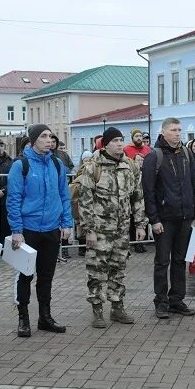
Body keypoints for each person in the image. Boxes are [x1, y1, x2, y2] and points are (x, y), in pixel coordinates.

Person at [76, 127, 146, 328]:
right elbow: (85, 200)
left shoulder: (129, 166)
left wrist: (140, 224)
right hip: (99, 230)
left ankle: (117, 307)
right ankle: (97, 310)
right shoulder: (93, 167)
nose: (119, 143)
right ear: (105, 143)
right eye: (115, 140)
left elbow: (137, 197)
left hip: (121, 230)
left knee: (118, 269)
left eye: (121, 140)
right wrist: (88, 229)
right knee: (96, 271)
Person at [7, 124, 74, 337]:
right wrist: (17, 230)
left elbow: (64, 195)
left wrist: (67, 223)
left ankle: (45, 317)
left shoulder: (56, 164)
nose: (49, 140)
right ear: (34, 140)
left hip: (51, 229)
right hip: (28, 229)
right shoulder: (21, 165)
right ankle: (23, 318)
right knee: (25, 275)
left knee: (46, 276)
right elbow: (14, 199)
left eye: (51, 136)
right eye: (44, 136)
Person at [141, 117, 195, 319]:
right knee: (162, 261)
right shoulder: (154, 156)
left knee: (179, 260)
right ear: (164, 131)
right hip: (165, 219)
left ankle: (177, 299)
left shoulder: (185, 153)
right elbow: (148, 191)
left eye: (179, 130)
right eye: (174, 130)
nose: (178, 133)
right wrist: (154, 219)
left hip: (185, 216)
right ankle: (161, 301)